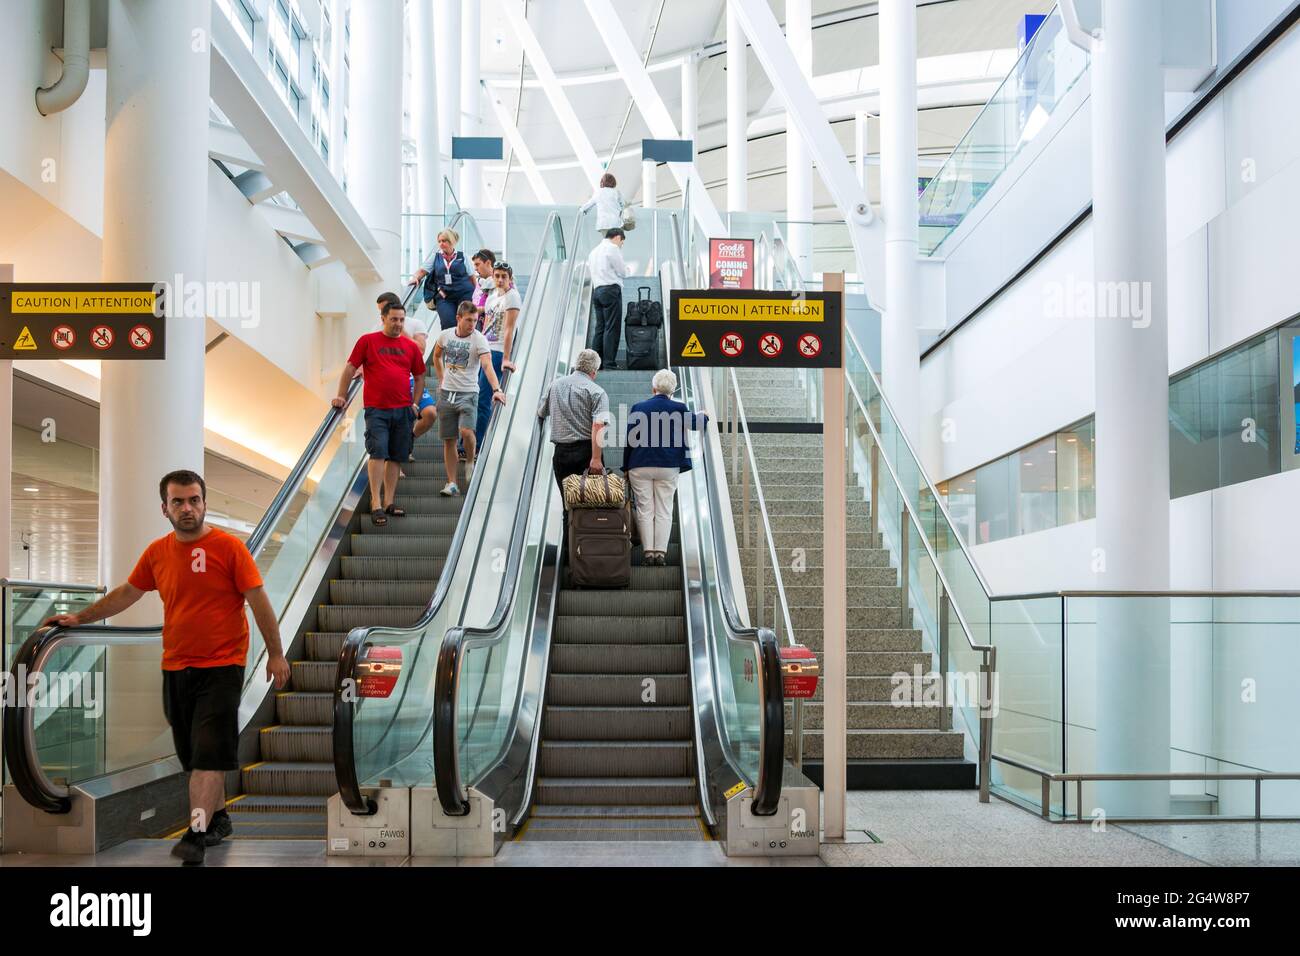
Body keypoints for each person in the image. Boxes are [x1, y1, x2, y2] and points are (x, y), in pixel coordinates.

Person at [41, 470, 290, 865]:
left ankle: (196, 832)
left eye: (194, 500)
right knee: (193, 756)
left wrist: (276, 654)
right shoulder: (158, 552)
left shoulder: (229, 549)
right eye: (178, 502)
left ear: (205, 503)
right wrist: (82, 618)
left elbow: (259, 602)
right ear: (165, 508)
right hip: (176, 666)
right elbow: (126, 593)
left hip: (223, 666)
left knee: (208, 755)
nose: (187, 508)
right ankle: (219, 816)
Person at [333, 300, 426, 526]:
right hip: (377, 411)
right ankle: (375, 503)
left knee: (396, 456)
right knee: (377, 454)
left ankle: (389, 502)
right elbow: (350, 368)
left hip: (403, 410)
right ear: (383, 319)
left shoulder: (410, 346)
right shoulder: (368, 341)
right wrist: (341, 395)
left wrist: (415, 404)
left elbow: (421, 376)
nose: (398, 324)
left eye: (401, 320)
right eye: (393, 319)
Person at [622, 370, 707, 566]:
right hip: (668, 465)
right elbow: (696, 424)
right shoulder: (679, 407)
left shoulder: (638, 407)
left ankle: (647, 553)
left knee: (645, 509)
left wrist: (626, 466)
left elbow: (629, 440)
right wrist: (705, 415)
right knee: (664, 509)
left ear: (653, 388)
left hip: (640, 464)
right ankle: (660, 553)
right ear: (673, 390)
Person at [433, 300, 506, 496]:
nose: (472, 324)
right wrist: (441, 378)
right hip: (447, 393)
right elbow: (436, 355)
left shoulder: (479, 339)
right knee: (449, 440)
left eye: (475, 320)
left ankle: (471, 459)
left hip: (468, 393)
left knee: (466, 432)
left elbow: (487, 365)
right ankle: (451, 483)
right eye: (468, 320)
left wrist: (496, 388)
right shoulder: (445, 335)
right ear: (458, 318)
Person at [538, 348, 609, 493]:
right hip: (587, 453)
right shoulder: (597, 392)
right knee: (591, 505)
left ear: (576, 365)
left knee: (568, 505)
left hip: (561, 453)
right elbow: (598, 424)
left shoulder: (554, 385)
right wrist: (596, 458)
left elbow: (541, 412)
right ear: (594, 371)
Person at [373, 291, 437, 445]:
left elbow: (420, 350)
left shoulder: (415, 323)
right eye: (381, 312)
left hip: (410, 379)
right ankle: (400, 453)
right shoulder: (378, 327)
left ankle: (408, 439)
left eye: (384, 309)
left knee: (430, 413)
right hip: (388, 384)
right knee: (393, 426)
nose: (382, 315)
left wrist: (399, 327)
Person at [475, 260, 522, 452]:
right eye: (497, 276)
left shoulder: (512, 297)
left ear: (510, 278)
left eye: (504, 276)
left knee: (484, 398)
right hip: (484, 348)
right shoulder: (493, 295)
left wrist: (506, 358)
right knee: (478, 396)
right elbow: (487, 320)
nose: (500, 279)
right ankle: (471, 443)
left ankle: (477, 445)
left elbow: (510, 329)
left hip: (497, 351)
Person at [411, 228, 475, 330]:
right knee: (448, 323)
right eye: (439, 241)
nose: (441, 243)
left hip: (464, 295)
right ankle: (448, 345)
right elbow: (422, 271)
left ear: (451, 241)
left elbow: (472, 278)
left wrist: (476, 296)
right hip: (444, 296)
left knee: (464, 324)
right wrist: (415, 277)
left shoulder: (463, 257)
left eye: (444, 241)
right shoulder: (435, 257)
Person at [586, 227, 630, 369]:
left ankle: (594, 365)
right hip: (611, 290)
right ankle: (609, 363)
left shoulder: (593, 251)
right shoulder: (612, 249)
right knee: (611, 327)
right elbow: (622, 271)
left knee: (600, 328)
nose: (621, 245)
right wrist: (627, 270)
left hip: (597, 291)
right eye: (622, 242)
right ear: (617, 237)